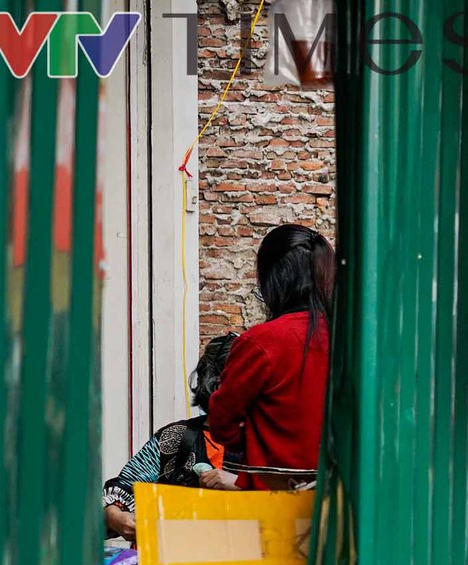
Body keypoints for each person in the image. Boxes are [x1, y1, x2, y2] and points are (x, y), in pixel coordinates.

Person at [209, 224, 335, 489]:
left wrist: (260, 437)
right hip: (343, 496)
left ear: (272, 279)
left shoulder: (260, 343)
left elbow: (222, 424)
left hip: (274, 498)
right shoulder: (353, 338)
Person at [103, 333, 240, 540]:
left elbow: (294, 499)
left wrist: (240, 485)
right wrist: (114, 516)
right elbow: (125, 486)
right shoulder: (176, 437)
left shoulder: (269, 441)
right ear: (217, 383)